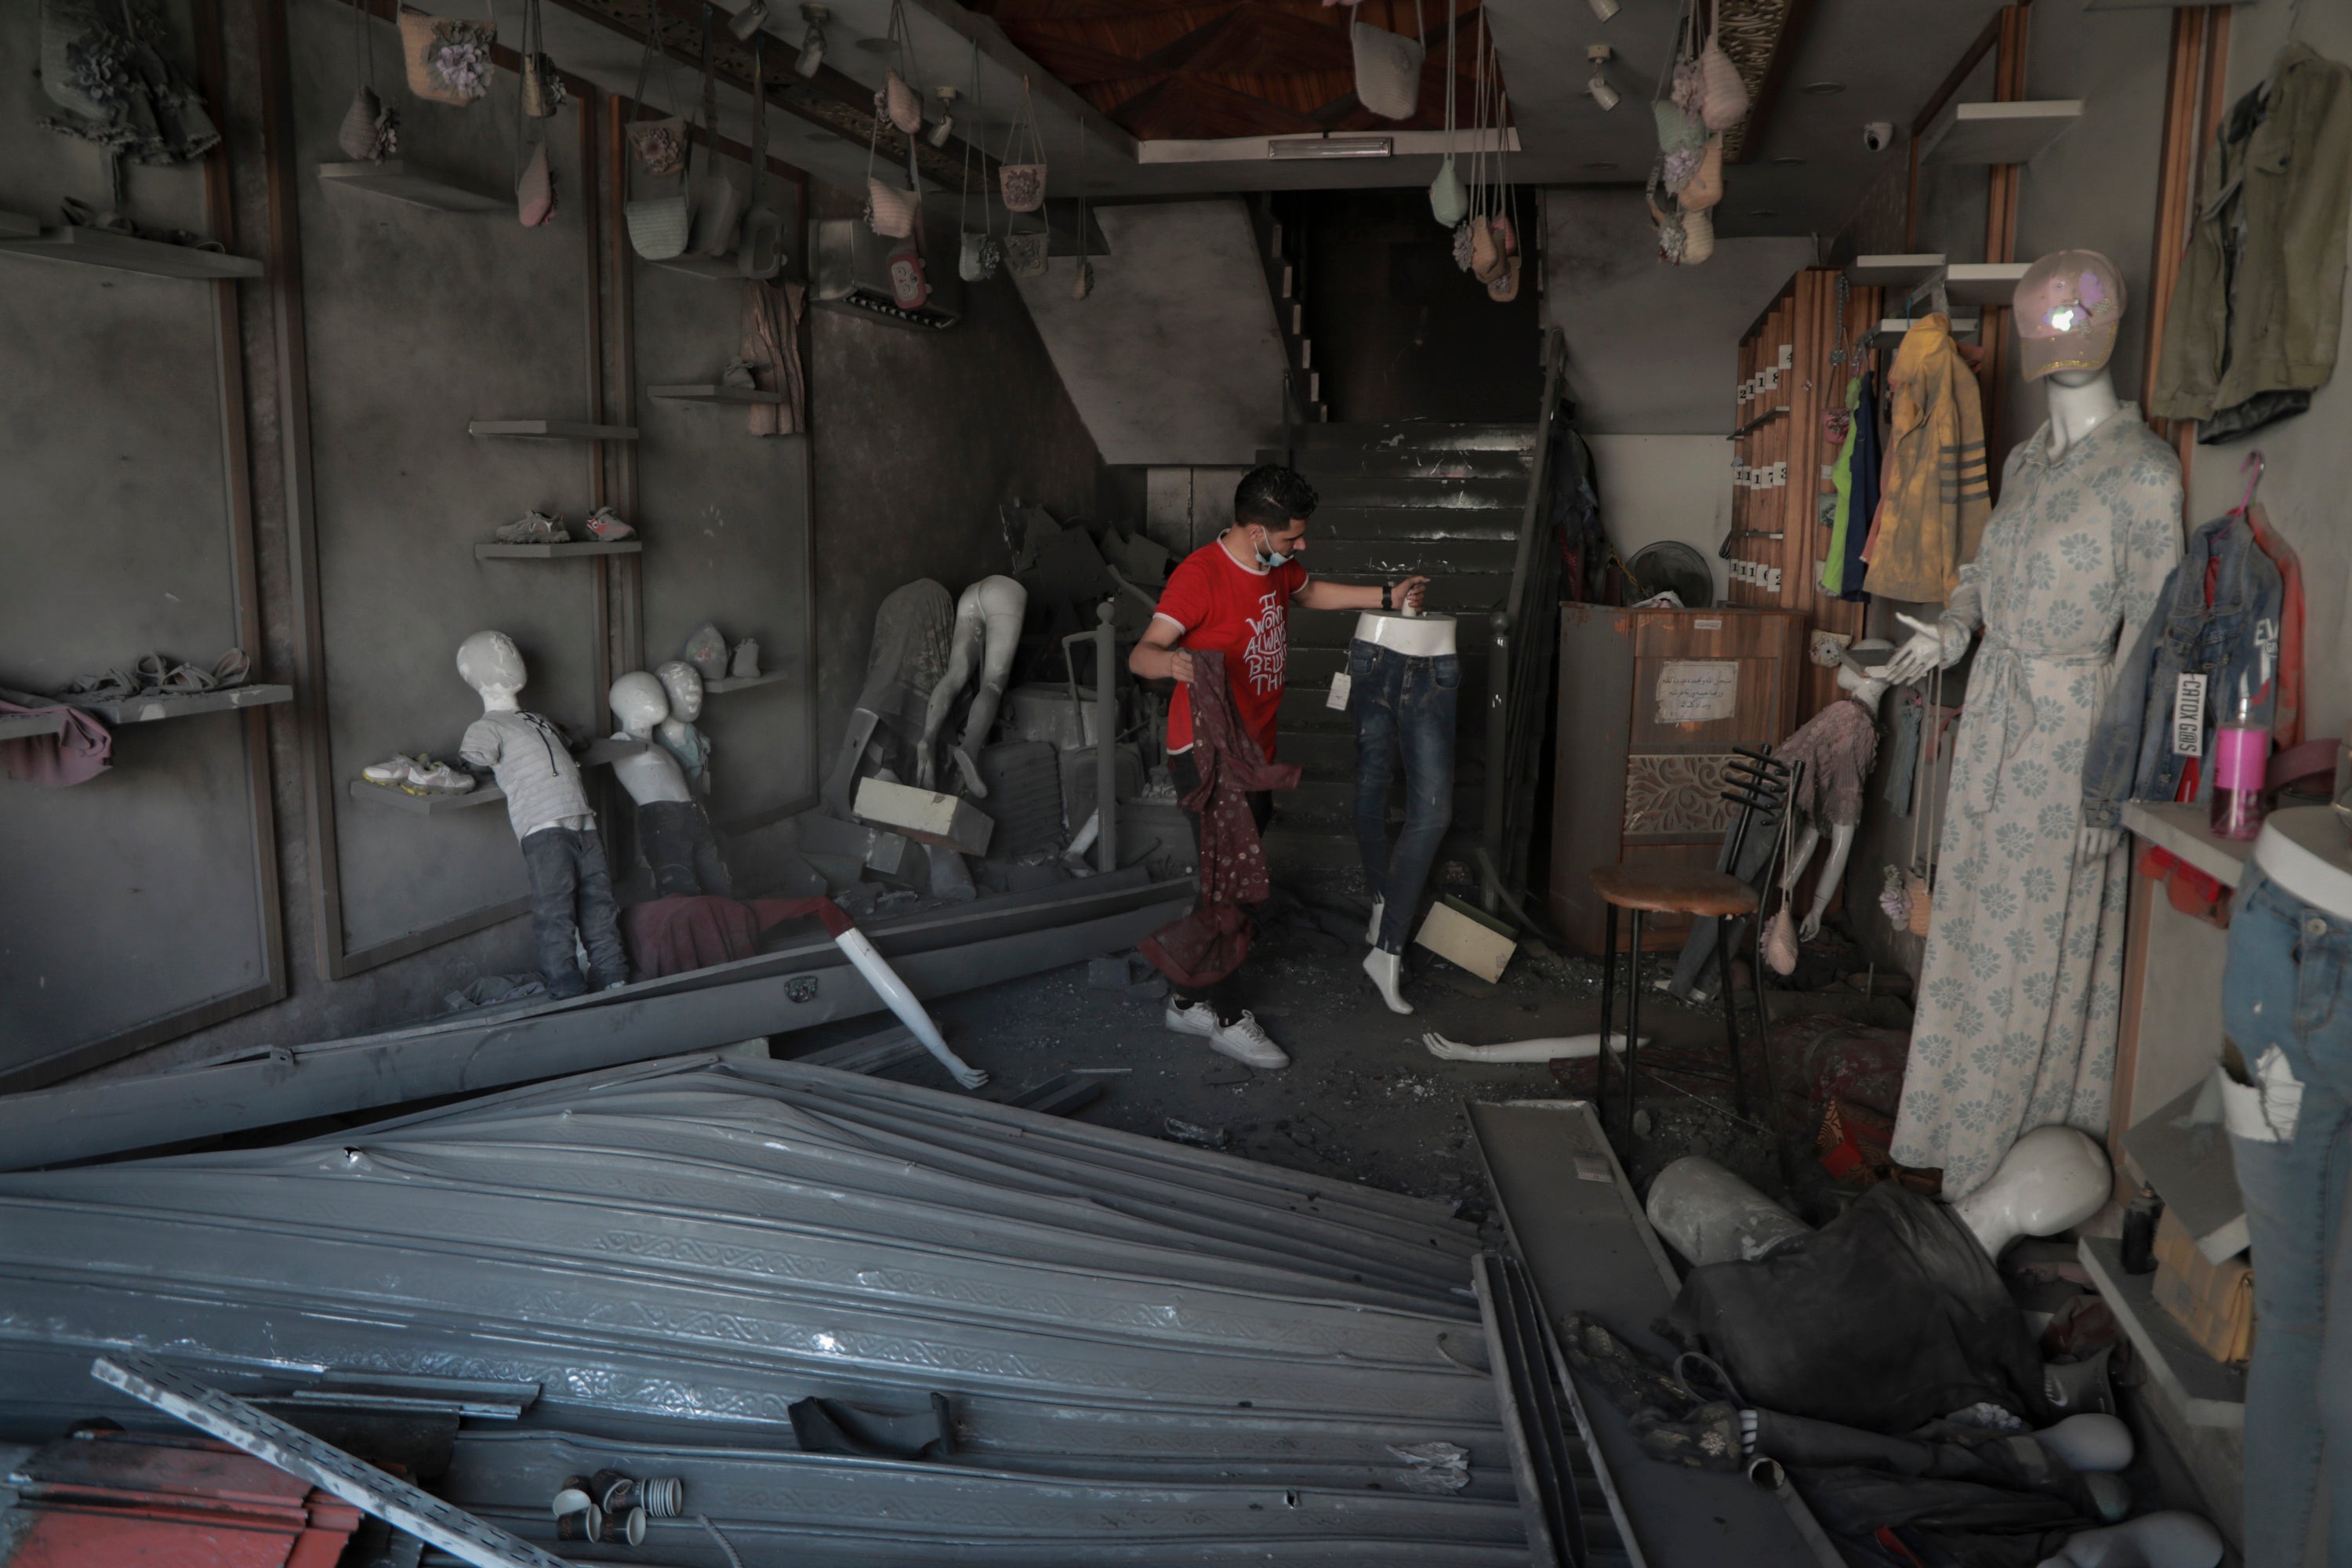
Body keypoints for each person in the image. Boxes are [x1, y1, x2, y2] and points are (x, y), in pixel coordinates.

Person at [1128, 464, 1430, 1067]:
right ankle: (1227, 1017)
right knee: (1233, 888)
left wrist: (1385, 596)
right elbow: (1143, 653)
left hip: (1254, 753)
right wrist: (1175, 667)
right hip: (1209, 756)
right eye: (1291, 537)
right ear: (1254, 530)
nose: (1301, 546)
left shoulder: (1274, 566)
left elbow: (1309, 591)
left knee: (1228, 887)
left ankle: (1187, 1001)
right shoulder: (1201, 575)